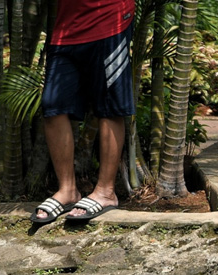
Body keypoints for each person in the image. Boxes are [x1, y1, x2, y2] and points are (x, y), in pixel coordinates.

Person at [31, 0, 135, 224]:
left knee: (109, 107)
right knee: (53, 105)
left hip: (110, 21)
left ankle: (106, 192)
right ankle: (67, 190)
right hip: (67, 28)